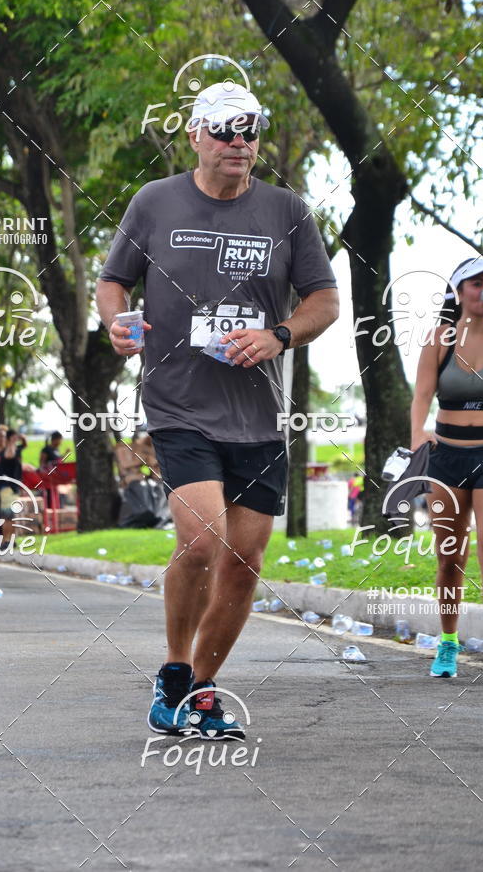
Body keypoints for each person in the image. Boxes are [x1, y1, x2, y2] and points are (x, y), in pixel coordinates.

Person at [97, 81, 338, 738]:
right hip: (179, 404)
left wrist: (279, 335)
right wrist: (117, 324)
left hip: (259, 416)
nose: (241, 142)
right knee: (202, 541)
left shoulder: (287, 211)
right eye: (227, 130)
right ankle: (175, 667)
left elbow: (324, 300)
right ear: (196, 135)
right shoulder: (154, 204)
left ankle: (199, 692)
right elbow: (112, 282)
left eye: (251, 129)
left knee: (244, 561)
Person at [411, 256, 483, 681]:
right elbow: (422, 396)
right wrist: (418, 434)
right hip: (447, 456)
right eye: (477, 282)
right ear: (458, 290)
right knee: (450, 557)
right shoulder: (440, 337)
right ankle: (447, 644)